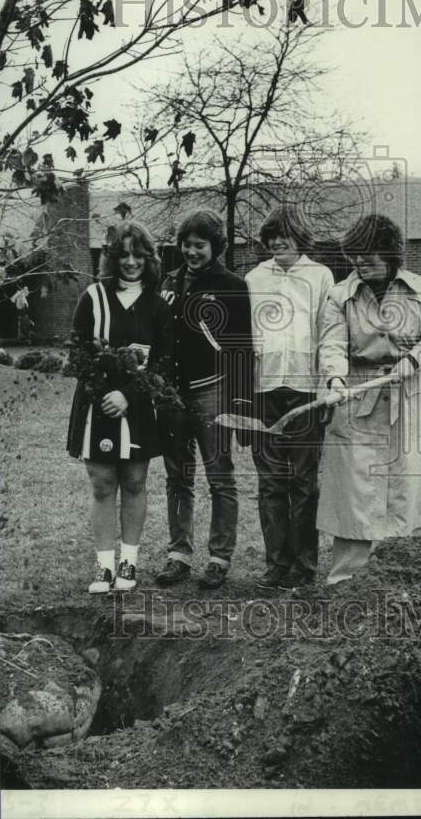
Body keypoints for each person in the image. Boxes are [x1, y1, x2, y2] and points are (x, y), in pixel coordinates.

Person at [314, 214, 421, 585]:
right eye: (355, 255)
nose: (360, 262)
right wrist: (336, 378)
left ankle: (406, 577)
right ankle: (347, 580)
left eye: (369, 254)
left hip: (410, 395)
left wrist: (414, 358)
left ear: (390, 254)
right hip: (358, 398)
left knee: (407, 486)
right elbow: (332, 343)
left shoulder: (418, 288)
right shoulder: (340, 295)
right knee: (355, 490)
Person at [67, 222, 174, 594]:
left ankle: (129, 562)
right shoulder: (92, 297)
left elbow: (162, 364)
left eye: (138, 254)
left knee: (134, 481)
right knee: (101, 484)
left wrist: (128, 394)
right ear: (111, 258)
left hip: (138, 405)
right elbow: (77, 353)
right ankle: (104, 567)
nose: (131, 262)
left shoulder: (159, 306)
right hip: (96, 407)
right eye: (123, 254)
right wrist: (103, 394)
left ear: (149, 258)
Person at [155, 209, 254, 590]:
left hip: (212, 390)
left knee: (219, 475)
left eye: (200, 245)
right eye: (187, 244)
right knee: (177, 476)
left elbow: (241, 348)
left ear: (216, 246)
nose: (192, 251)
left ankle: (219, 557)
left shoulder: (231, 285)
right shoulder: (168, 282)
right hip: (171, 394)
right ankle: (179, 553)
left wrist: (242, 402)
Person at [245, 206, 334, 591]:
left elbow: (329, 333)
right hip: (264, 390)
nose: (279, 242)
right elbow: (245, 340)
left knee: (303, 481)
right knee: (270, 483)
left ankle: (303, 565)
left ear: (301, 236)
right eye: (272, 237)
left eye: (286, 235)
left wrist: (327, 385)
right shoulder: (253, 279)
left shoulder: (321, 276)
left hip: (305, 390)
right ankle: (276, 564)